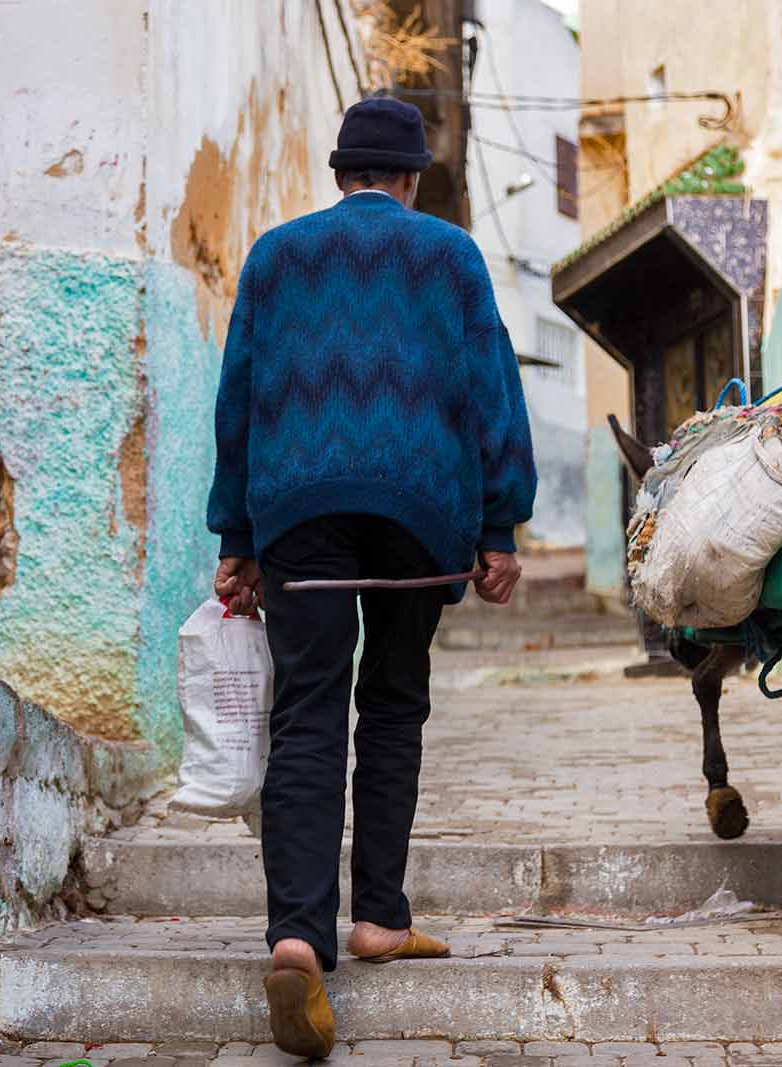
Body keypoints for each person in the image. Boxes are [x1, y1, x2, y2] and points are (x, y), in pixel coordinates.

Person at [205, 95, 537, 1057]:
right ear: (413, 179)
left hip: (298, 509)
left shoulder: (275, 257)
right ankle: (380, 916)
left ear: (340, 174)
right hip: (420, 510)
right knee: (393, 699)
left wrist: (238, 536)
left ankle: (297, 938)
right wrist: (497, 524)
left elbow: (240, 401)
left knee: (307, 707)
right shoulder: (450, 256)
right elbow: (491, 388)